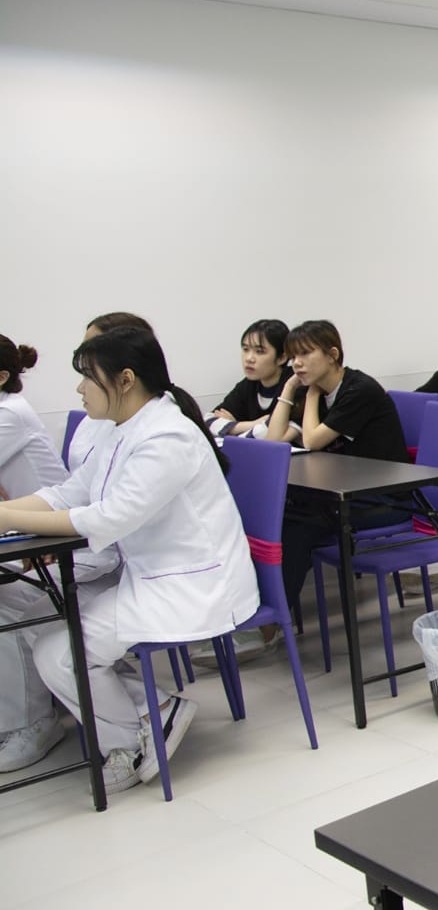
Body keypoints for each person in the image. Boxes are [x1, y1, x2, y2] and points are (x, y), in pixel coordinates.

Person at [0, 328, 259, 793]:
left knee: (57, 651)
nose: (79, 388)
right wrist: (6, 516)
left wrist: (5, 517)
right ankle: (155, 709)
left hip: (191, 586)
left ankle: (135, 739)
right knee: (44, 621)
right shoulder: (123, 429)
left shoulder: (166, 437)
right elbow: (69, 492)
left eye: (87, 377)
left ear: (124, 379)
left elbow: (110, 517)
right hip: (149, 574)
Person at [0, 335, 121, 773]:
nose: (80, 386)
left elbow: (93, 513)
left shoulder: (9, 414)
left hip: (69, 546)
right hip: (35, 536)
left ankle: (33, 721)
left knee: (9, 601)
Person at [264, 320, 410, 605]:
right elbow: (273, 441)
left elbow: (312, 441)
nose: (296, 363)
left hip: (384, 498)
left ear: (332, 354)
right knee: (278, 517)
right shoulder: (314, 387)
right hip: (342, 493)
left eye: (305, 354)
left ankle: (276, 615)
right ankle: (273, 608)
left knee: (298, 527)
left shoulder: (359, 389)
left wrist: (310, 395)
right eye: (293, 356)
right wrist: (290, 388)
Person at [70, 312, 154, 472]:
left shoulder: (160, 436)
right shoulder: (99, 420)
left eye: (93, 347)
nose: (85, 354)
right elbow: (80, 482)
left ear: (125, 379)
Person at [208, 318, 292, 438]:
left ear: (282, 358)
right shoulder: (248, 384)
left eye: (259, 351)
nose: (249, 358)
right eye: (246, 349)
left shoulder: (295, 383)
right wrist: (252, 424)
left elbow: (271, 431)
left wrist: (230, 427)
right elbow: (208, 420)